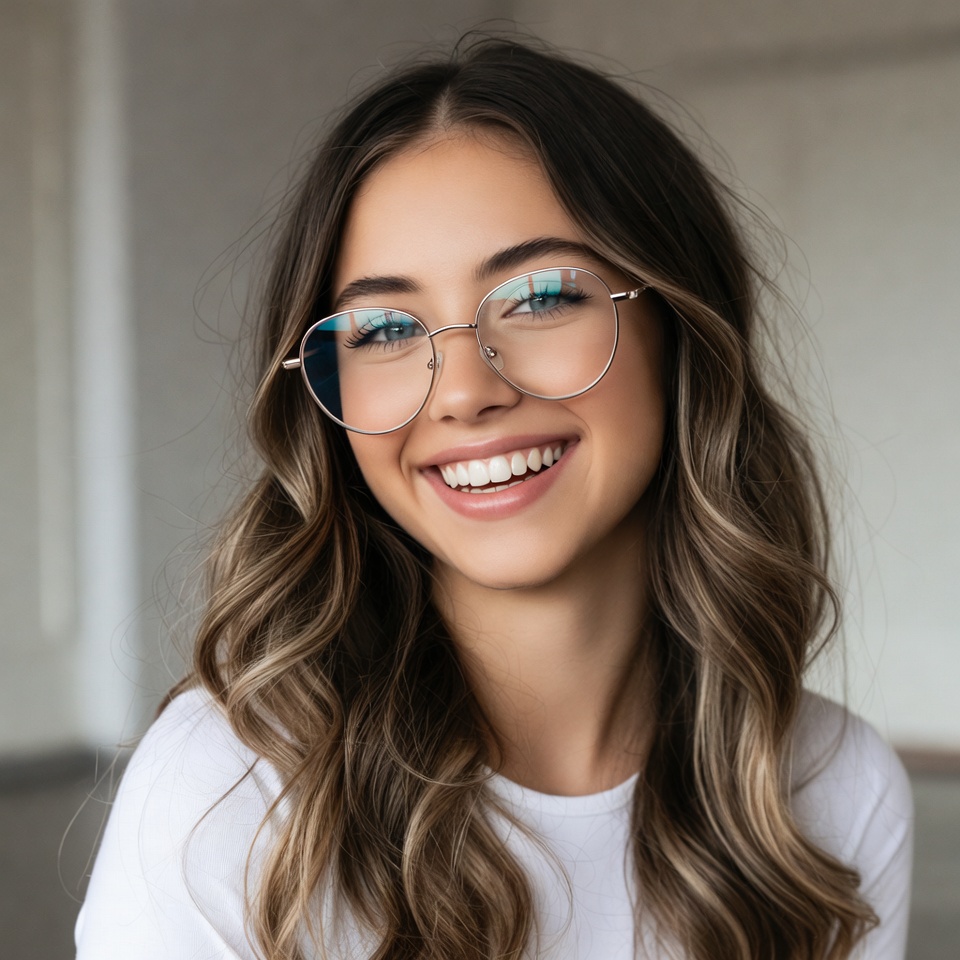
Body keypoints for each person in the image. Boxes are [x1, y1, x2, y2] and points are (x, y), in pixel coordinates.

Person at [74, 35, 913, 960]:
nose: (465, 390)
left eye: (542, 296)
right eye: (386, 327)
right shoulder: (226, 792)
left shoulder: (834, 794)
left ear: (680, 328)